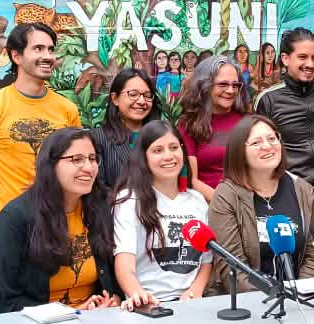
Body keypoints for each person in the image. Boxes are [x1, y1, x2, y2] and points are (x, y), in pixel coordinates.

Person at [0, 128, 121, 314]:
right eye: (77, 159)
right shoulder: (14, 218)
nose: (89, 167)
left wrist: (113, 298)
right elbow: (2, 300)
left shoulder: (100, 208)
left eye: (92, 158)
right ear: (51, 165)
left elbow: (114, 275)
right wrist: (69, 313)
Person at [0, 22, 81, 227]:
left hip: (56, 223)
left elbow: (76, 164)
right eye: (38, 48)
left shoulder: (68, 109)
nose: (48, 56)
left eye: (51, 49)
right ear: (16, 56)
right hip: (11, 226)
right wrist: (5, 213)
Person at [208, 115, 314, 294]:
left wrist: (301, 292)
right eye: (256, 143)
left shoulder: (302, 189)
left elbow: (312, 255)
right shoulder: (227, 196)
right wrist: (275, 297)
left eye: (272, 138)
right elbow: (232, 268)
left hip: (300, 299)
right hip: (251, 300)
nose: (267, 146)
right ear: (240, 152)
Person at [112, 120, 213, 310]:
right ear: (143, 157)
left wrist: (195, 291)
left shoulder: (197, 200)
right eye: (157, 150)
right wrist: (137, 294)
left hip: (194, 304)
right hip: (150, 305)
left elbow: (207, 261)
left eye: (174, 147)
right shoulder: (130, 200)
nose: (168, 156)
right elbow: (124, 262)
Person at [254, 27, 314, 184]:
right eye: (302, 57)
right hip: (286, 187)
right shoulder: (268, 100)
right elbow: (258, 151)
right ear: (285, 59)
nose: (310, 64)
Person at [178, 56, 247, 201]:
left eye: (235, 85)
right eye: (223, 84)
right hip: (206, 205)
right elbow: (191, 180)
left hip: (248, 202)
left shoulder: (246, 121)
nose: (230, 90)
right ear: (205, 85)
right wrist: (225, 205)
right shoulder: (190, 124)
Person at [89, 68, 163, 188]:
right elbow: (98, 189)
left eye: (147, 95)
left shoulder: (162, 136)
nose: (141, 101)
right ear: (115, 98)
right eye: (133, 94)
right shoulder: (98, 138)